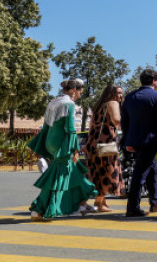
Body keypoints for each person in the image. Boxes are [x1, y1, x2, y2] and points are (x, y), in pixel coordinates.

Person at [28, 79, 97, 220]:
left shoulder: (53, 102)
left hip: (50, 141)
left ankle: (81, 204)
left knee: (73, 172)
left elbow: (46, 125)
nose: (79, 95)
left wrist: (39, 146)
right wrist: (75, 149)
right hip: (62, 143)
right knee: (58, 177)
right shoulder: (69, 104)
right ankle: (39, 209)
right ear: (73, 91)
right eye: (79, 92)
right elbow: (70, 128)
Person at [121, 69, 157, 217]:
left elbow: (125, 121)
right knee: (140, 174)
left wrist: (127, 140)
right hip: (150, 140)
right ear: (153, 81)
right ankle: (132, 207)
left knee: (152, 170)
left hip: (135, 140)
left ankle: (155, 202)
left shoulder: (130, 97)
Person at [85, 84, 126, 212]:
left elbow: (91, 125)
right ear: (111, 94)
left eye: (121, 93)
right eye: (118, 92)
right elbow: (116, 120)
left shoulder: (98, 106)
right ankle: (99, 203)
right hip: (106, 142)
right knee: (107, 171)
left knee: (97, 171)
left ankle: (101, 201)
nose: (121, 95)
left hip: (94, 142)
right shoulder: (112, 103)